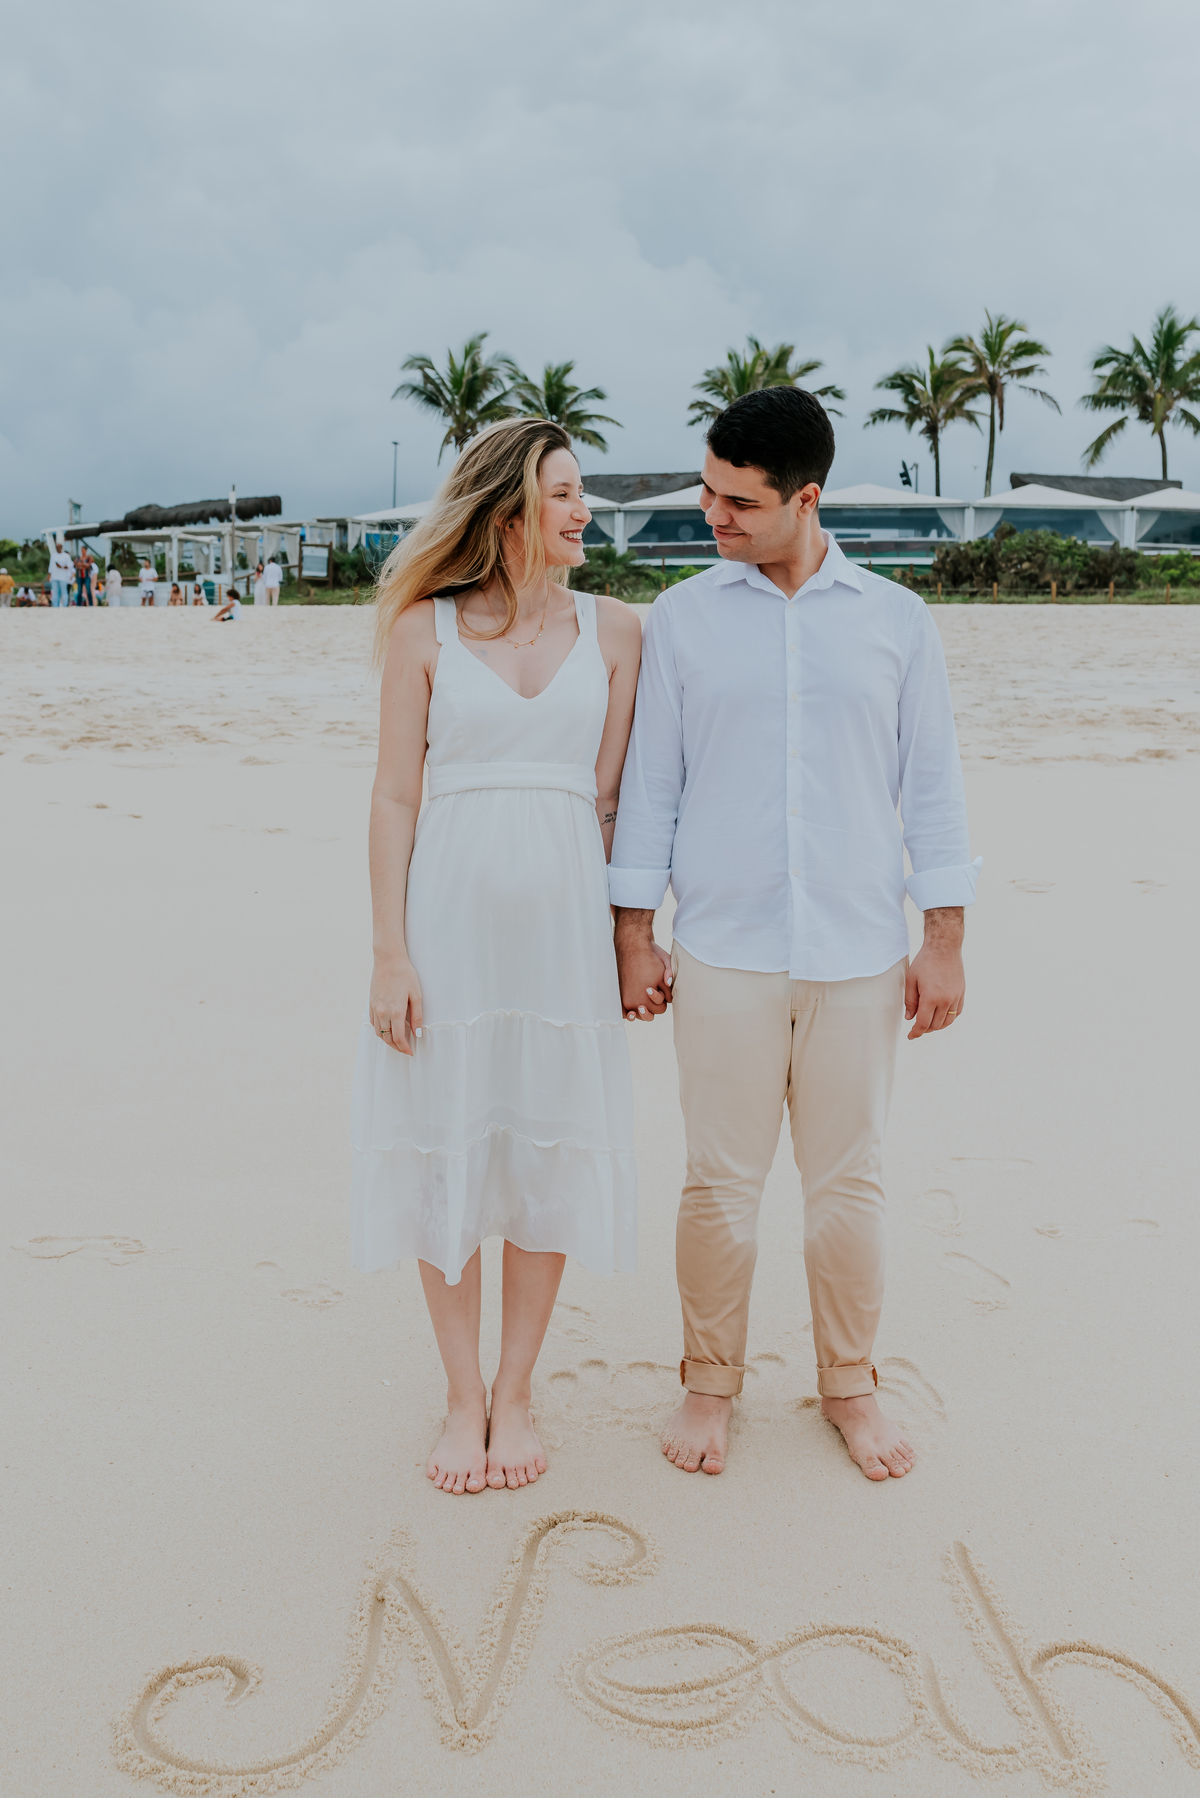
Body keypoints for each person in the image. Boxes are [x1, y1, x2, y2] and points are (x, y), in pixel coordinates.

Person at [610, 387, 980, 1484]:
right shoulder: (681, 618)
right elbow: (651, 790)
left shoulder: (895, 622)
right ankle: (707, 1381)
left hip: (861, 954)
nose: (711, 514)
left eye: (737, 500)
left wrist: (944, 936)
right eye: (707, 491)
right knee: (717, 1182)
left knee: (849, 1181)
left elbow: (935, 790)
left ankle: (850, 1384)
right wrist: (636, 931)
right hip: (721, 949)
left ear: (805, 498)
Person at [352, 418, 642, 1496]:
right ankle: (462, 1392)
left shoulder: (619, 633)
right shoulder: (423, 633)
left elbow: (612, 805)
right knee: (448, 1148)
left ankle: (516, 1391)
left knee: (547, 1150)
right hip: (450, 932)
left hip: (562, 940)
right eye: (565, 494)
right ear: (511, 508)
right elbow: (392, 795)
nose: (583, 513)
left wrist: (628, 940)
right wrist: (389, 952)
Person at [49, 541, 74, 607]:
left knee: (64, 592)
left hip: (63, 577)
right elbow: (51, 566)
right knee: (55, 593)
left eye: (59, 547)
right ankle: (55, 606)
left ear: (61, 547)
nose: (58, 548)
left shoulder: (66, 556)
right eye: (57, 547)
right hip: (54, 577)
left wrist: (61, 567)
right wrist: (49, 575)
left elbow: (69, 566)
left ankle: (65, 605)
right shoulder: (53, 555)